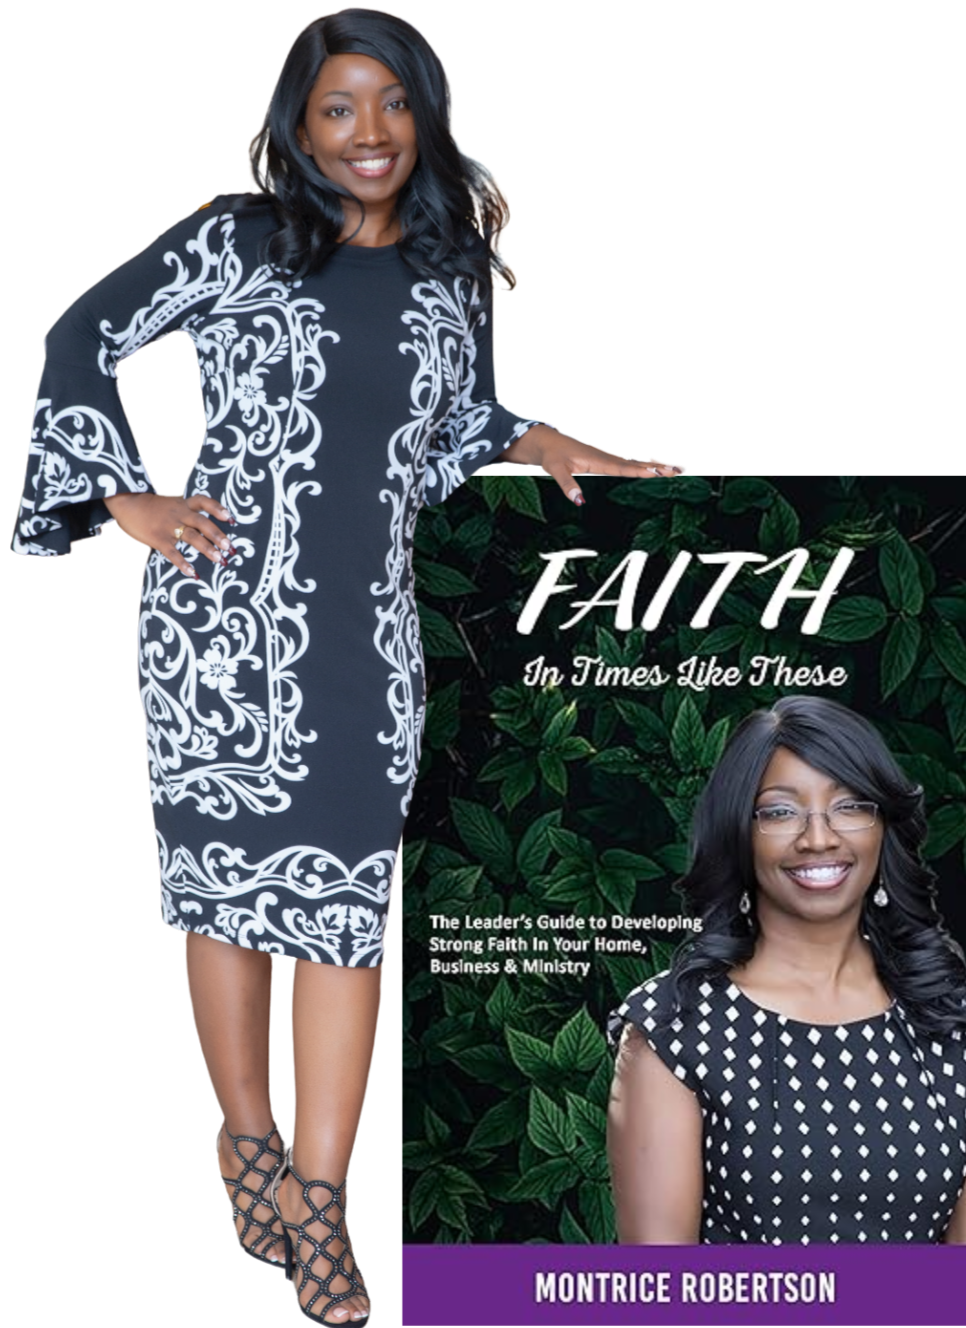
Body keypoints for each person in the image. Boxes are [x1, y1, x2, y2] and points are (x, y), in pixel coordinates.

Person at [11, 9, 682, 1324]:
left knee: (337, 916)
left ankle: (318, 1203)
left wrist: (543, 439)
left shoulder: (448, 270)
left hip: (362, 648)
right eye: (337, 108)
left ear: (424, 114)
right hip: (219, 635)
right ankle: (245, 1141)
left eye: (389, 104)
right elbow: (75, 340)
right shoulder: (236, 239)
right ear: (298, 128)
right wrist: (118, 504)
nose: (366, 133)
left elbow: (461, 415)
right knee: (221, 903)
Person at [607, 694, 966, 1246]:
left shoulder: (947, 1014)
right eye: (779, 811)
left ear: (882, 827)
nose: (818, 837)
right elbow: (660, 1290)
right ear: (739, 832)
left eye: (850, 805)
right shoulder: (672, 1029)